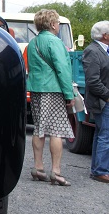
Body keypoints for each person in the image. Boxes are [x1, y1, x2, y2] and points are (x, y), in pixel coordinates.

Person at [25, 9, 75, 186]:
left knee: (39, 129)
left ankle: (38, 168)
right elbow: (63, 69)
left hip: (37, 90)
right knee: (57, 131)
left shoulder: (33, 43)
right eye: (58, 23)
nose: (59, 26)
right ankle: (56, 172)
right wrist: (69, 94)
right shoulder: (55, 42)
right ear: (53, 24)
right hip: (53, 91)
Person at [82, 21, 109, 183]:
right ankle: (100, 171)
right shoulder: (92, 51)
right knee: (105, 136)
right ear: (105, 35)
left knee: (102, 135)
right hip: (102, 101)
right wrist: (107, 96)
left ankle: (99, 169)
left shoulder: (103, 51)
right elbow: (92, 81)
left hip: (104, 99)